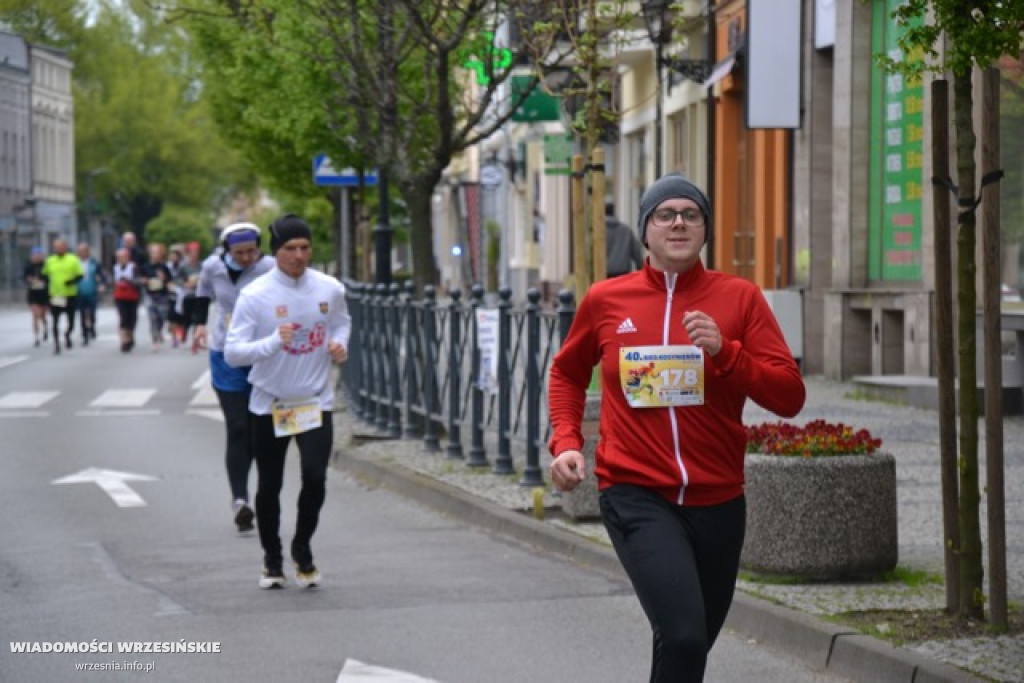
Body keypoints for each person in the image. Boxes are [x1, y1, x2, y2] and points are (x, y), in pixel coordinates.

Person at [547, 173, 806, 683]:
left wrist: (726, 353)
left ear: (706, 229)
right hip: (636, 492)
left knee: (689, 642)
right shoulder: (606, 300)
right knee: (684, 635)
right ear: (645, 231)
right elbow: (567, 372)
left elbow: (789, 395)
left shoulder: (740, 299)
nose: (679, 223)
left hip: (718, 499)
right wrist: (566, 442)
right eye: (665, 215)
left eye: (691, 214)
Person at [224, 214, 351, 590]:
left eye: (305, 247)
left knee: (314, 477)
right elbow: (234, 353)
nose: (299, 255)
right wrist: (273, 342)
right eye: (290, 249)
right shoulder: (255, 295)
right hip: (270, 404)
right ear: (275, 252)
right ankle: (272, 558)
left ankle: (302, 547)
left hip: (314, 401)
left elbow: (342, 322)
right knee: (269, 485)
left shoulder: (329, 288)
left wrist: (339, 343)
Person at [192, 223, 274, 533]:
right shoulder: (212, 267)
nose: (246, 258)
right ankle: (240, 500)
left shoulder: (268, 267)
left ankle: (263, 494)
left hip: (261, 352)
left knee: (258, 428)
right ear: (227, 251)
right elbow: (202, 296)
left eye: (251, 251)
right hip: (225, 352)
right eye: (239, 253)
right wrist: (199, 326)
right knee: (237, 426)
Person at [42, 238, 84, 355]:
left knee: (71, 321)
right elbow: (44, 275)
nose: (59, 249)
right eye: (57, 247)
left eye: (61, 247)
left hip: (70, 294)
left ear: (65, 247)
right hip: (56, 295)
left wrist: (72, 281)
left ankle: (67, 334)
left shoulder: (73, 259)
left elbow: (80, 275)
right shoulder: (50, 260)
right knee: (55, 320)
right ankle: (56, 344)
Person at [141, 243, 172, 352]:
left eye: (157, 252)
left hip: (162, 295)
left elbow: (170, 280)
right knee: (152, 317)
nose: (155, 255)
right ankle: (154, 339)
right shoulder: (145, 266)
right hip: (150, 294)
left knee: (162, 316)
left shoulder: (164, 267)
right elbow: (140, 278)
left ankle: (159, 332)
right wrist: (144, 281)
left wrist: (164, 279)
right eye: (153, 252)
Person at [75, 242, 107, 345]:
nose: (82, 253)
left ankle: (92, 326)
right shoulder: (75, 263)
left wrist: (102, 284)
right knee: (82, 314)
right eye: (80, 251)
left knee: (92, 313)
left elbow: (102, 276)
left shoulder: (94, 263)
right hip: (79, 291)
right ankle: (85, 334)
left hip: (92, 291)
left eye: (84, 251)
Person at [111, 247, 142, 352]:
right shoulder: (115, 267)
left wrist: (130, 281)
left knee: (132, 318)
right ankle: (124, 341)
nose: (120, 259)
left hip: (132, 296)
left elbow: (139, 280)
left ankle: (130, 335)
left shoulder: (133, 267)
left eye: (123, 257)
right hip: (120, 296)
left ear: (128, 257)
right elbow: (112, 280)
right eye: (118, 257)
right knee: (123, 318)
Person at [605, 201, 645, 278]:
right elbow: (636, 252)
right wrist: (641, 270)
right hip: (623, 274)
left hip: (603, 274)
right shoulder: (626, 230)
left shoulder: (598, 233)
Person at [23, 247, 49, 347]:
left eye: (38, 255)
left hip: (44, 293)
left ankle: (45, 327)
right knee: (35, 315)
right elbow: (24, 277)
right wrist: (28, 280)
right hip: (33, 293)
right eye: (35, 255)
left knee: (43, 315)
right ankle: (36, 337)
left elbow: (49, 277)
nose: (36, 257)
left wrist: (43, 281)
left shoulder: (46, 265)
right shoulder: (28, 266)